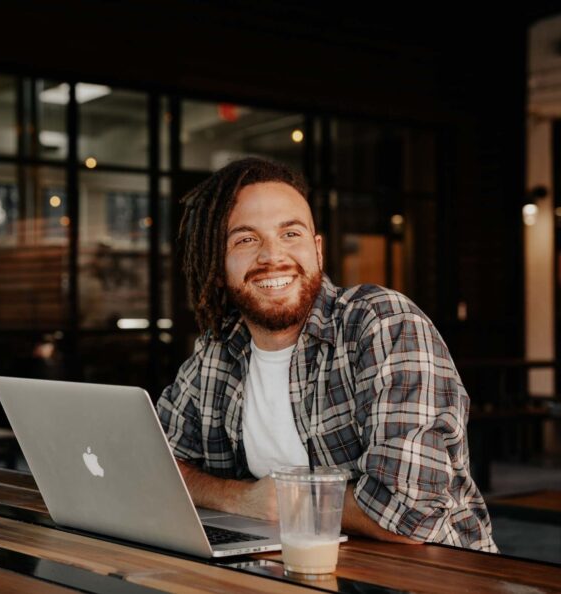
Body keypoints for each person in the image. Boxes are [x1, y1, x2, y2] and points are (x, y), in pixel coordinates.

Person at [156, 157, 497, 552]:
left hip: (433, 575)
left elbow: (409, 514)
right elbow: (158, 464)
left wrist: (286, 501)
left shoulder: (382, 323)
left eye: (291, 234)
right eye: (246, 239)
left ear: (317, 250)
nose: (272, 256)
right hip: (297, 571)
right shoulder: (218, 352)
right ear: (219, 266)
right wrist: (240, 499)